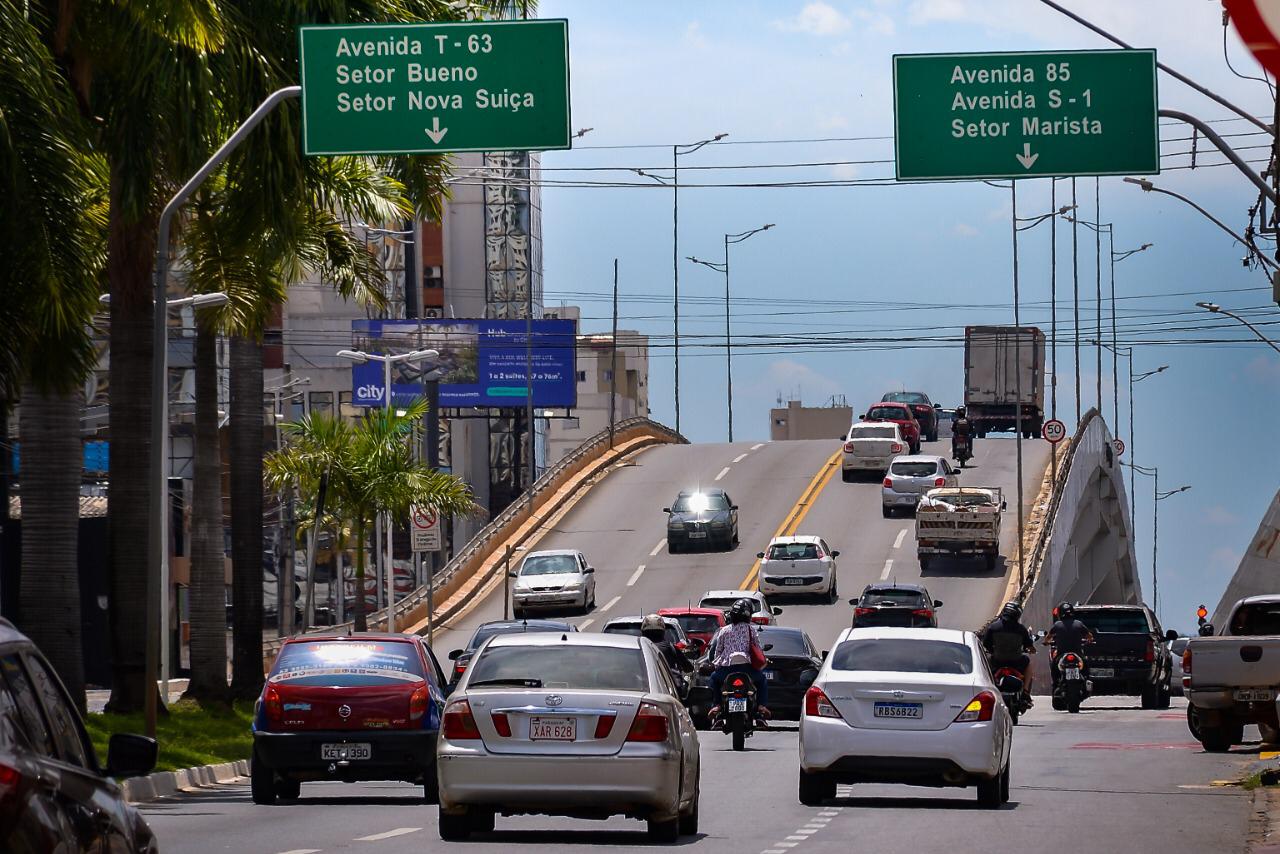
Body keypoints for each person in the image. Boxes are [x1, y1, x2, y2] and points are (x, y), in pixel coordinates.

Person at [706, 600, 770, 719]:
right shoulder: (751, 630)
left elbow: (718, 651)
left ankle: (716, 706)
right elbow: (757, 647)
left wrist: (716, 665)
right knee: (762, 680)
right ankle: (761, 706)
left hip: (727, 669)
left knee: (714, 679)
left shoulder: (724, 630)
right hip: (748, 669)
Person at [981, 601, 1036, 695]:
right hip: (1017, 662)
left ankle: (986, 689)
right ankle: (1026, 691)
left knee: (984, 666)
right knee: (1029, 664)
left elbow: (986, 644)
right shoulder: (1021, 629)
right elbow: (1029, 645)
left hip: (997, 661)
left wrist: (993, 651)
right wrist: (1031, 650)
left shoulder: (993, 627)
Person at [1043, 602, 1095, 686]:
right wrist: (1090, 640)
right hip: (1077, 652)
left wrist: (1046, 642)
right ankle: (1086, 681)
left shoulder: (1057, 625)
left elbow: (1048, 637)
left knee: (1054, 666)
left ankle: (1055, 684)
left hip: (1061, 653)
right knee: (1085, 664)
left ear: (1060, 613)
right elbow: (1089, 636)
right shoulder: (1078, 623)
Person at [640, 613, 694, 690]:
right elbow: (688, 668)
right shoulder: (670, 647)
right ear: (662, 631)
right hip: (669, 689)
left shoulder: (638, 648)